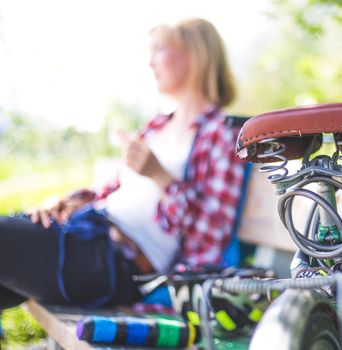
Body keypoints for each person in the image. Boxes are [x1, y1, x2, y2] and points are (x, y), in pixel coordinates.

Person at [0, 18, 245, 309]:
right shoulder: (155, 127)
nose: (150, 62)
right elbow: (111, 192)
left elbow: (211, 236)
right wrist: (64, 203)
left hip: (117, 263)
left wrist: (160, 177)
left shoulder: (220, 136)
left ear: (195, 54)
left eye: (159, 49)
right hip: (85, 234)